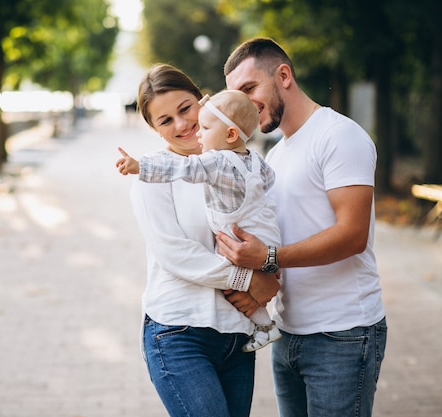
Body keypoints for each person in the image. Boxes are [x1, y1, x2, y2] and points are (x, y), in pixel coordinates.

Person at [216, 37, 387, 417]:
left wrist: (270, 258)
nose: (243, 103)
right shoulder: (274, 154)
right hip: (288, 332)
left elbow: (352, 235)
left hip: (343, 333)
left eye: (249, 88)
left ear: (283, 75)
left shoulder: (339, 135)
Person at [115, 63, 280, 417]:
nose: (182, 124)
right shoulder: (152, 174)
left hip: (237, 335)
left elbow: (267, 229)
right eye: (165, 120)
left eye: (186, 109)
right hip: (179, 333)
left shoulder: (245, 164)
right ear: (154, 129)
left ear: (203, 101)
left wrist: (272, 275)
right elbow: (177, 254)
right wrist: (251, 280)